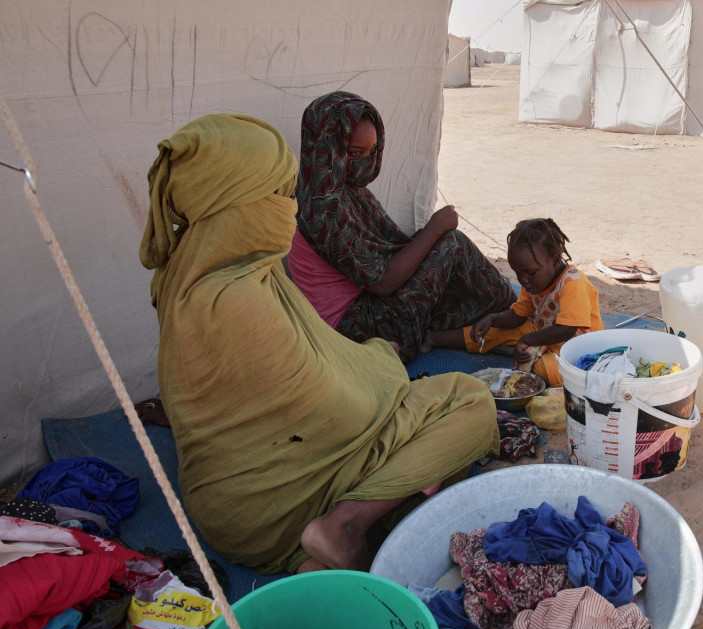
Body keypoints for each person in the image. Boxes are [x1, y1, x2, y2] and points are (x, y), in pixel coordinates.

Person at [139, 113, 499, 575]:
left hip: (232, 501)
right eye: (277, 195)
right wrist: (381, 366)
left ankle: (323, 561)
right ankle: (345, 525)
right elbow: (339, 413)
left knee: (406, 392)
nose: (288, 209)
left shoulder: (191, 272)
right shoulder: (235, 298)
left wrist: (367, 355)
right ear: (236, 201)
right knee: (468, 399)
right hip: (273, 512)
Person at [291, 91, 515, 362]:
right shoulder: (322, 208)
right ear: (327, 147)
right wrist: (434, 227)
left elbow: (391, 250)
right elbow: (383, 282)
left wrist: (432, 236)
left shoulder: (347, 192)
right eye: (354, 153)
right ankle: (512, 319)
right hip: (353, 331)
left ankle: (504, 320)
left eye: (372, 152)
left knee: (443, 251)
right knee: (451, 244)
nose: (365, 162)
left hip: (370, 309)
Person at [424, 218, 603, 387]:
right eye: (518, 273)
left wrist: (527, 340)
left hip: (574, 347)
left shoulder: (574, 284)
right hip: (540, 332)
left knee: (546, 370)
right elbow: (518, 315)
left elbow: (566, 329)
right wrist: (493, 319)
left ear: (555, 260)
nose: (523, 280)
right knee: (493, 331)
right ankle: (434, 339)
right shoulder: (532, 282)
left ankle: (525, 353)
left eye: (530, 273)